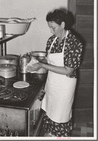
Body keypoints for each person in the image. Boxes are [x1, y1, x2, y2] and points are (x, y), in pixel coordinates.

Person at [27, 9, 83, 137]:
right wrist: (36, 62)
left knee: (61, 116)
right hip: (52, 83)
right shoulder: (51, 41)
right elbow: (48, 59)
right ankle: (52, 135)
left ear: (62, 25)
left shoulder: (74, 42)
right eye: (50, 27)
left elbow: (68, 70)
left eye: (53, 27)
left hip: (64, 86)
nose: (51, 31)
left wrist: (42, 65)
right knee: (50, 112)